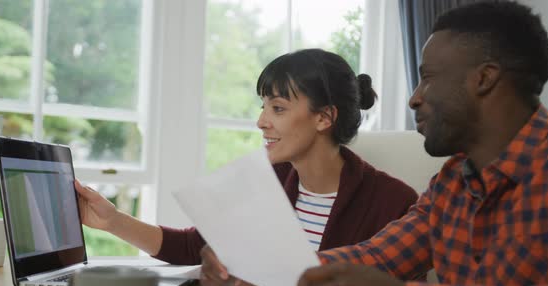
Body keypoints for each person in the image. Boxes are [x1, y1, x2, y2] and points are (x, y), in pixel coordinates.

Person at [203, 2, 548, 286]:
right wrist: (255, 269)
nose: (415, 97)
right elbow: (376, 256)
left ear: (484, 79)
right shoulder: (451, 184)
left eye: (428, 77)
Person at [75, 49, 418, 270]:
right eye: (263, 107)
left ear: (324, 118)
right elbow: (194, 246)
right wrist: (114, 221)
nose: (261, 121)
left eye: (278, 108)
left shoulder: (394, 202)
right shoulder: (266, 177)